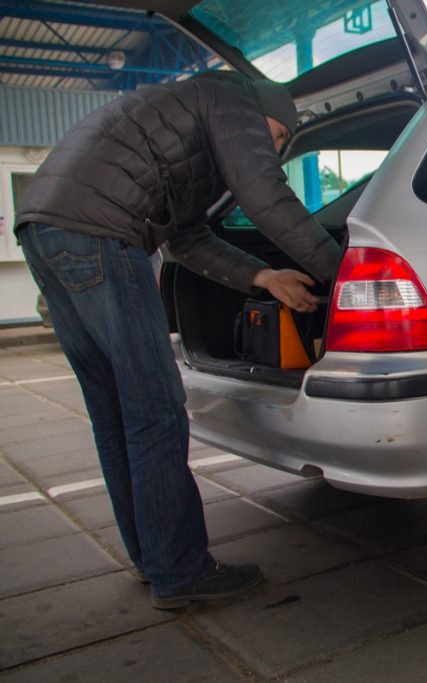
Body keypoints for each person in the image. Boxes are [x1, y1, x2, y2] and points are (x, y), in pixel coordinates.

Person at [15, 71, 343, 609]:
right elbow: (263, 193)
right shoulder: (232, 95)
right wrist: (338, 271)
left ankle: (154, 558)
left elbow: (185, 236)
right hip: (101, 232)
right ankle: (182, 570)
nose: (276, 151)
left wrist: (264, 277)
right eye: (280, 138)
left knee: (118, 412)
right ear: (266, 114)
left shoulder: (185, 131)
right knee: (157, 410)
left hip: (45, 229)